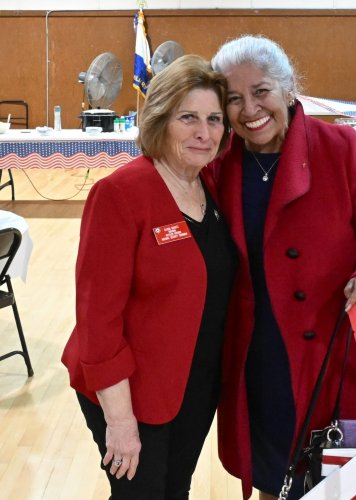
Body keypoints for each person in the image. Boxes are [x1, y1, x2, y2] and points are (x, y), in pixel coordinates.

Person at [210, 35, 356, 500]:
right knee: (277, 474)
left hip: (337, 350)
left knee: (350, 479)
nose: (249, 109)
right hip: (261, 355)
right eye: (234, 98)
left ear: (289, 89)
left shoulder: (338, 149)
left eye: (261, 92)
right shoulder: (220, 161)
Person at [61, 54, 236, 499]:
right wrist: (119, 423)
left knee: (175, 489)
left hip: (193, 385)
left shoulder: (208, 184)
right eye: (188, 117)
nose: (204, 132)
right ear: (159, 120)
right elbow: (97, 323)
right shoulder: (120, 195)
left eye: (214, 119)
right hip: (129, 392)